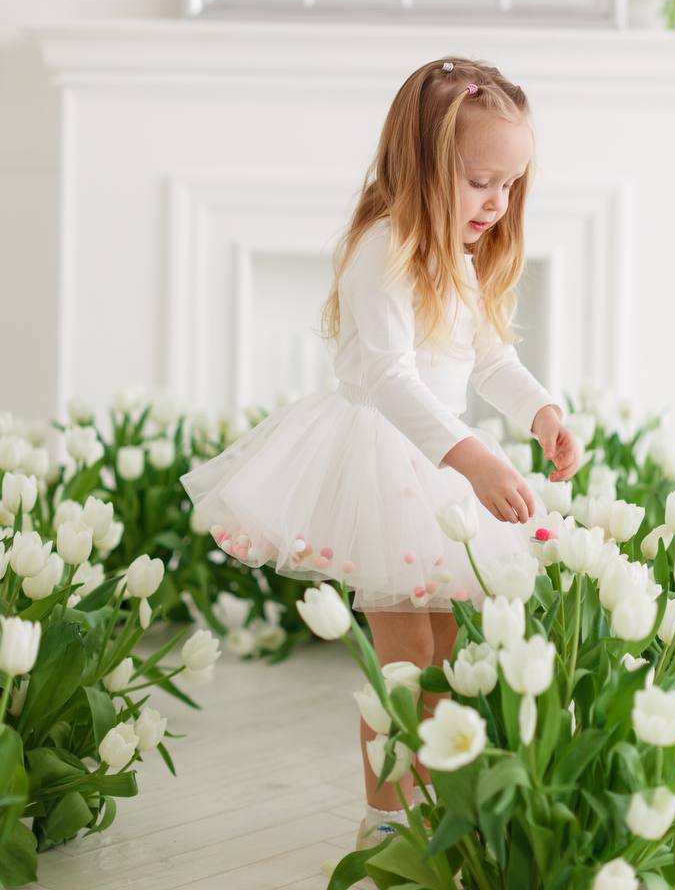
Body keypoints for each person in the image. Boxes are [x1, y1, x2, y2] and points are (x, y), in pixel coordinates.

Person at [180, 56, 582, 850]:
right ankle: (388, 813)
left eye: (509, 185)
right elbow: (391, 379)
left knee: (451, 650)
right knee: (405, 653)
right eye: (479, 181)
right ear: (422, 164)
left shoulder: (458, 257)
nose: (496, 203)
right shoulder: (384, 245)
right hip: (383, 460)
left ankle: (434, 797)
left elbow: (488, 359)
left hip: (437, 468)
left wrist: (540, 412)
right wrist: (474, 459)